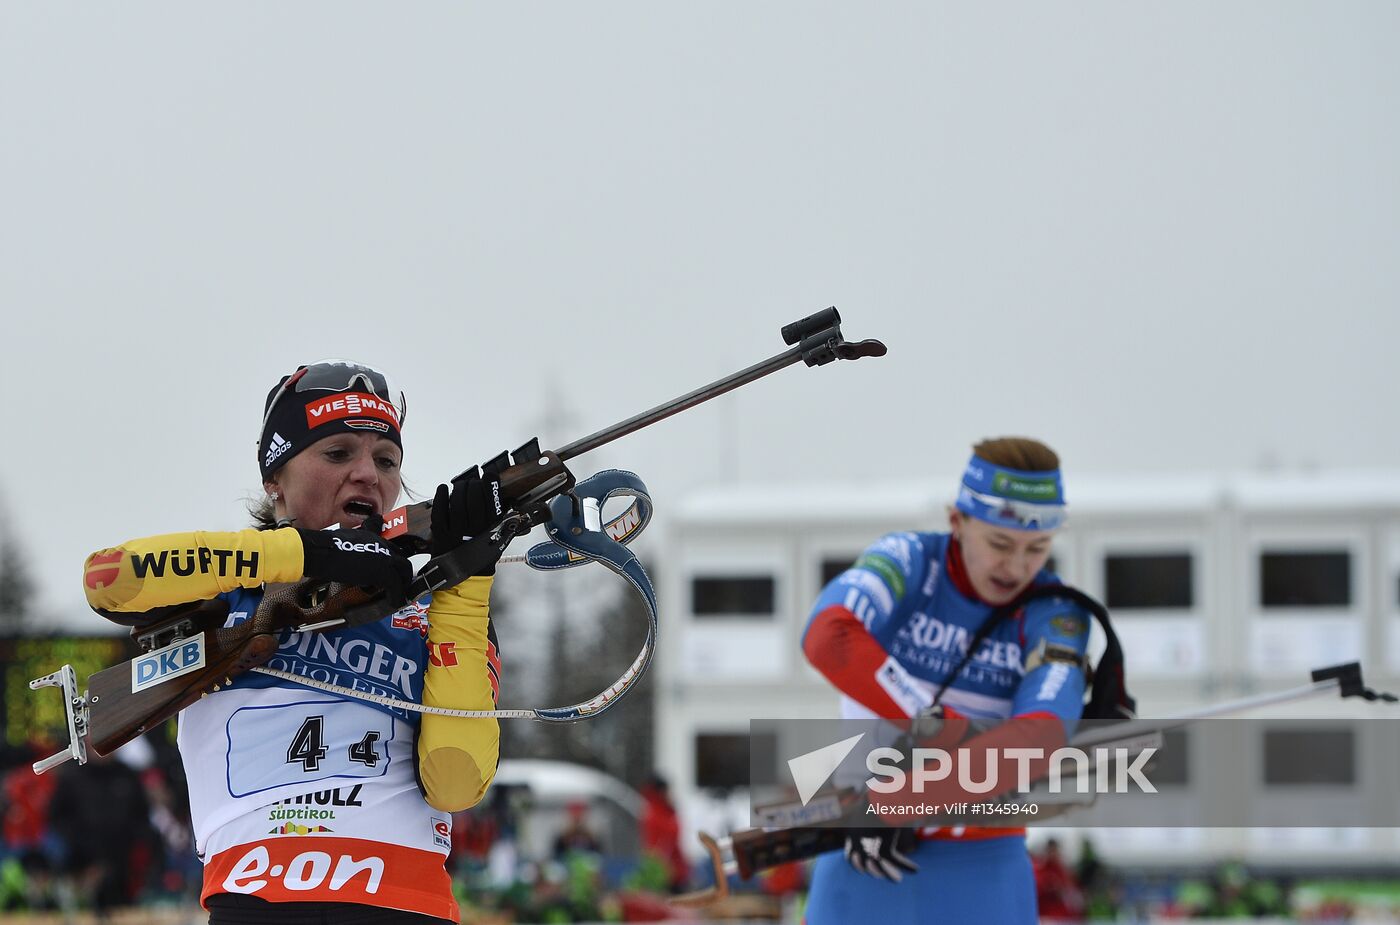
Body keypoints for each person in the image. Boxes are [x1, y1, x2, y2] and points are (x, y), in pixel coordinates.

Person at [82, 360, 507, 924]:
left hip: (407, 905)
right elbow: (109, 577)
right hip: (261, 901)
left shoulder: (431, 611)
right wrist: (307, 554)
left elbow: (455, 780)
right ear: (274, 480)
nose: (368, 475)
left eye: (386, 461)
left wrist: (466, 580)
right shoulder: (225, 588)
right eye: (337, 454)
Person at [800, 437, 1092, 925]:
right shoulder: (910, 562)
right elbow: (827, 635)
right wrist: (939, 724)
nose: (1017, 568)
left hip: (982, 866)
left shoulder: (1056, 611)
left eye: (1037, 549)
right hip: (863, 857)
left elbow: (1040, 738)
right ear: (957, 521)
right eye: (1000, 544)